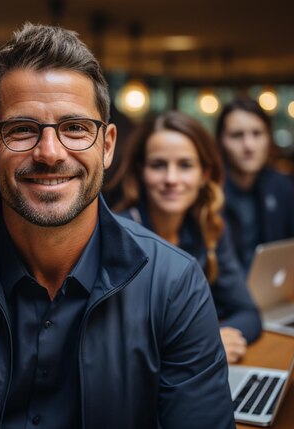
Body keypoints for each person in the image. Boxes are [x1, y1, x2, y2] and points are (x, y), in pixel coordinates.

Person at [0, 23, 234, 428]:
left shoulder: (175, 284)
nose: (49, 153)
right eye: (22, 130)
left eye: (76, 128)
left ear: (108, 146)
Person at [106, 111, 262, 363]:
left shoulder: (208, 229)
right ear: (141, 171)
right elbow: (112, 343)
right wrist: (204, 344)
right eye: (158, 165)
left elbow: (248, 313)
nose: (171, 179)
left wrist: (214, 340)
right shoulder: (118, 234)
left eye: (185, 165)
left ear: (204, 174)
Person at [215, 97, 294, 291]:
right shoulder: (211, 192)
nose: (249, 145)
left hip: (275, 294)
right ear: (221, 141)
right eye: (237, 135)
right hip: (226, 304)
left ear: (268, 138)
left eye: (257, 134)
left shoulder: (281, 185)